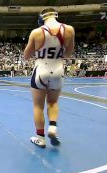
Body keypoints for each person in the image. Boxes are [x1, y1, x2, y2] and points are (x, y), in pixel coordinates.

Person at [24, 7, 75, 148]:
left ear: (42, 18)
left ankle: (40, 137)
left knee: (38, 106)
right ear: (56, 15)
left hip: (41, 69)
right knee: (53, 102)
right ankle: (53, 127)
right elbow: (68, 53)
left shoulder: (36, 32)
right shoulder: (69, 30)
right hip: (58, 69)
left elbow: (26, 56)